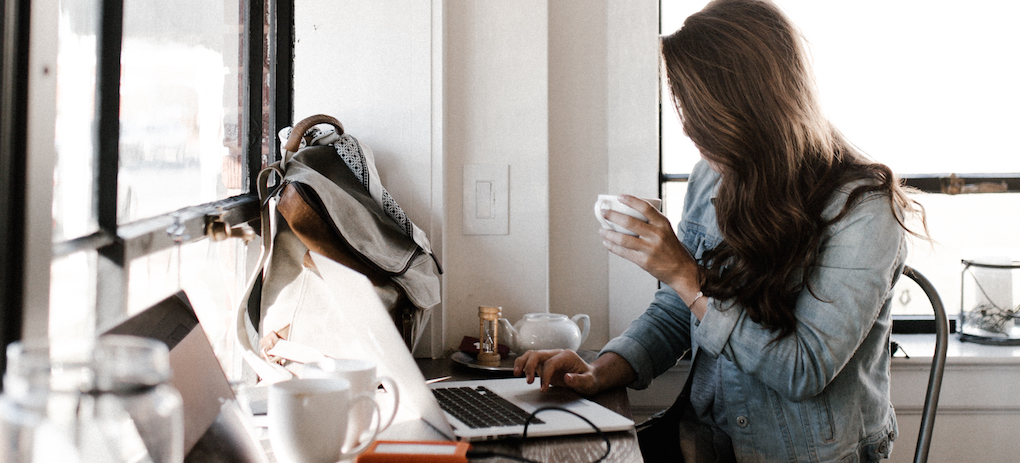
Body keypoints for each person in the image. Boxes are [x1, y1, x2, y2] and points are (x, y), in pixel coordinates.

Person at [513, 0, 928, 461]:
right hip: (703, 442)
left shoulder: (863, 211)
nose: (690, 128)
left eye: (699, 112)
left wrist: (687, 276)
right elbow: (677, 311)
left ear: (748, 107)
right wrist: (600, 370)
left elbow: (803, 370)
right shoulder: (712, 176)